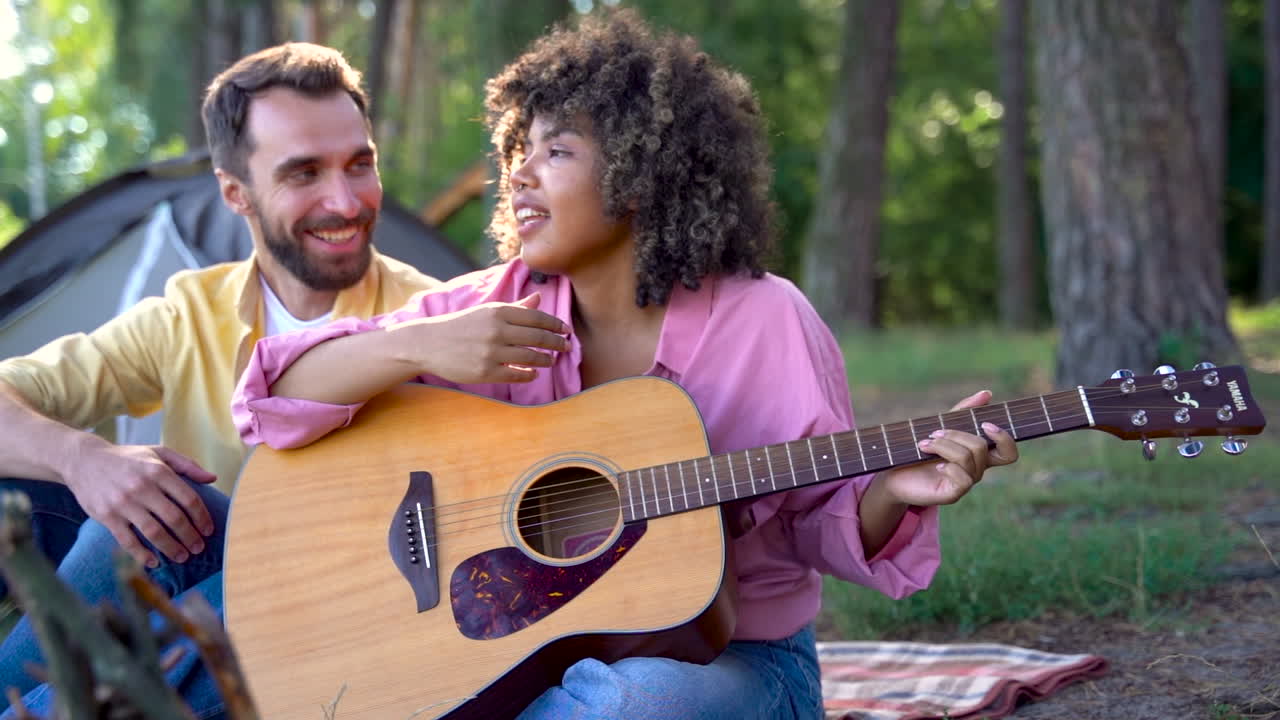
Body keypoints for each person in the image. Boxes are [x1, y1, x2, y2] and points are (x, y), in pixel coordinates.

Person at [231, 10, 1020, 720]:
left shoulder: (765, 319)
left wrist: (892, 492)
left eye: (557, 151)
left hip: (730, 663)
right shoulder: (487, 308)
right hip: (510, 660)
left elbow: (821, 526)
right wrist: (413, 347)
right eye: (519, 150)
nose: (519, 174)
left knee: (637, 702)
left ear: (643, 175)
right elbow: (270, 400)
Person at [0, 41, 560, 718]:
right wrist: (82, 457)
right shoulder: (186, 316)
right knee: (103, 507)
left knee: (138, 537)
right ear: (236, 193)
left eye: (361, 165)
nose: (346, 201)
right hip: (187, 576)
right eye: (304, 174)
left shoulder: (439, 322)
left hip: (335, 614)